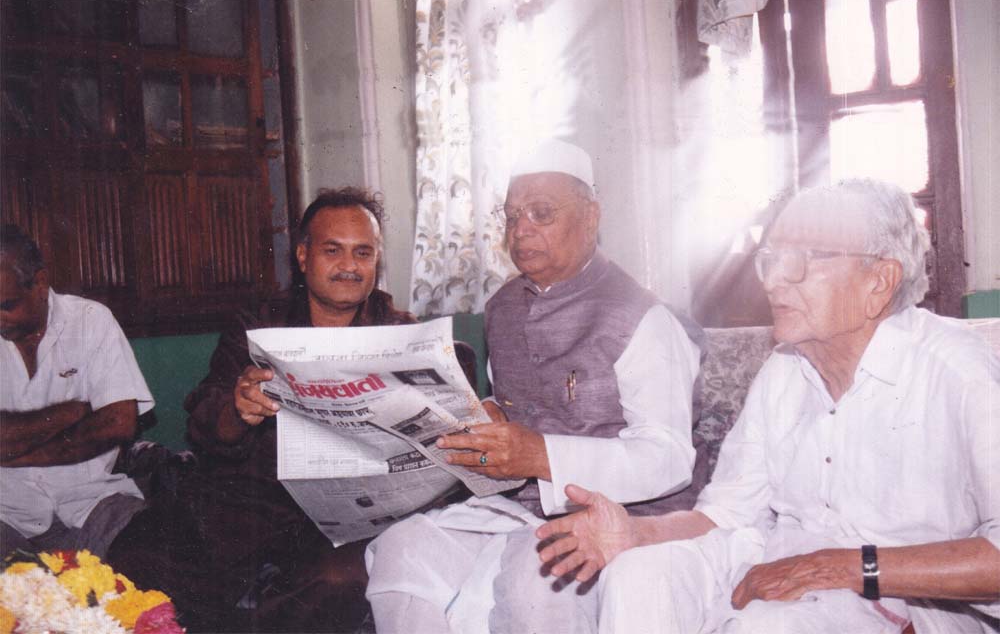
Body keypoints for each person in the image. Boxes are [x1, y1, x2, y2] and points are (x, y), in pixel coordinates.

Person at [535, 178, 1000, 633]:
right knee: (639, 574)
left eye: (807, 259)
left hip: (910, 598)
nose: (775, 280)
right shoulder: (784, 369)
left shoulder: (957, 370)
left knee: (774, 624)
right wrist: (635, 533)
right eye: (772, 259)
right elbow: (727, 515)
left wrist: (840, 567)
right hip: (785, 564)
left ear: (878, 280)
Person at [365, 139, 703, 634]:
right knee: (403, 551)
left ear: (591, 216)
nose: (520, 230)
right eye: (511, 215)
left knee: (536, 584)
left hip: (615, 520)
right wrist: (489, 418)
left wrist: (539, 454)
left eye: (541, 213)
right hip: (512, 509)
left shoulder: (643, 317)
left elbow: (670, 458)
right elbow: (513, 408)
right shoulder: (502, 307)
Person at [109, 187, 475, 632]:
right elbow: (206, 420)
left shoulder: (399, 333)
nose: (349, 266)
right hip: (254, 501)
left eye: (363, 252)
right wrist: (237, 409)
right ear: (303, 257)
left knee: (335, 585)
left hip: (351, 517)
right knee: (142, 549)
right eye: (332, 250)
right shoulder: (257, 325)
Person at [0, 223, 154, 558]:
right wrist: (68, 413)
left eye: (6, 305)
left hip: (92, 502)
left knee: (154, 552)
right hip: (6, 514)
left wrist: (17, 451)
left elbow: (118, 422)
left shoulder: (90, 320)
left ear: (40, 283)